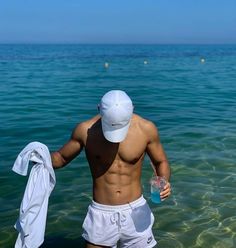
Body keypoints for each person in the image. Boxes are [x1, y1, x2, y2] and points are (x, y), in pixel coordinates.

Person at [51, 90, 171, 248]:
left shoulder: (146, 129)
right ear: (98, 109)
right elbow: (61, 158)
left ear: (132, 109)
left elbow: (160, 161)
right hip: (102, 214)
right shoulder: (85, 131)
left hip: (136, 210)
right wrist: (38, 157)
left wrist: (164, 181)